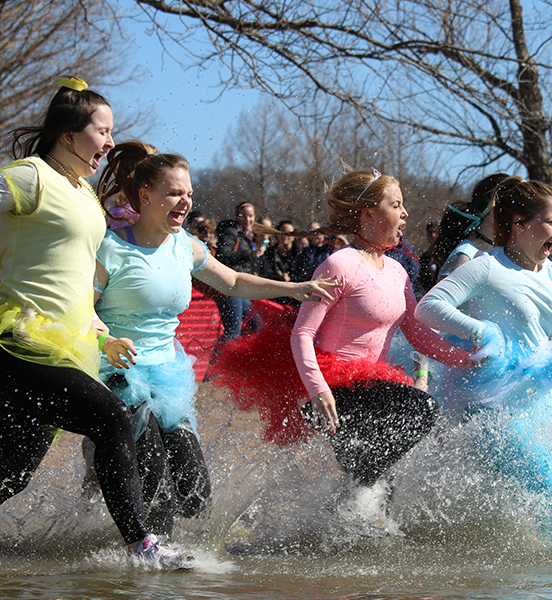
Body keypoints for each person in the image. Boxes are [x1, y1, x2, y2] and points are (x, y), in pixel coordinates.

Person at [88, 141, 337, 535]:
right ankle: (152, 559)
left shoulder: (184, 246)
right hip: (118, 373)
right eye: (174, 193)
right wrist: (105, 340)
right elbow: (82, 309)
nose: (184, 201)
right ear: (145, 196)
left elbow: (234, 280)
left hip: (167, 373)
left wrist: (293, 289)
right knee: (155, 487)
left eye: (188, 193)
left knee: (194, 494)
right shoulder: (110, 249)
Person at [209, 168, 474, 536]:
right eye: (395, 205)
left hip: (372, 384)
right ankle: (348, 507)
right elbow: (302, 333)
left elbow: (418, 334)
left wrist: (467, 359)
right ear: (368, 215)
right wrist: (318, 390)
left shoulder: (397, 271)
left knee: (379, 479)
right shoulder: (339, 264)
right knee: (421, 408)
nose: (405, 214)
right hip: (333, 387)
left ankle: (337, 532)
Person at [0, 78, 183, 566]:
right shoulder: (28, 176)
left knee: (12, 473)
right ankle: (142, 546)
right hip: (20, 342)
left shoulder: (80, 190)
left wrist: (102, 335)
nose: (108, 142)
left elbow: (75, 279)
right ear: (68, 134)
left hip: (68, 343)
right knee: (111, 418)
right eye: (102, 131)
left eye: (110, 132)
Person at [416, 176, 552, 543]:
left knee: (525, 511)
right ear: (520, 223)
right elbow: (428, 308)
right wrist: (483, 332)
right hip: (493, 405)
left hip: (540, 399)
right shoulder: (485, 265)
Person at [432, 173, 508, 280]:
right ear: (493, 206)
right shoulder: (464, 257)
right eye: (514, 203)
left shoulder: (502, 254)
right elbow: (437, 297)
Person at [213, 202, 257, 340]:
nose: (247, 220)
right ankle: (218, 361)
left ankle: (243, 358)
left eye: (250, 216)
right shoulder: (231, 231)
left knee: (256, 325)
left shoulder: (245, 235)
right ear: (236, 216)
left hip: (241, 289)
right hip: (230, 288)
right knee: (233, 331)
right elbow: (223, 256)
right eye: (243, 216)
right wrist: (249, 255)